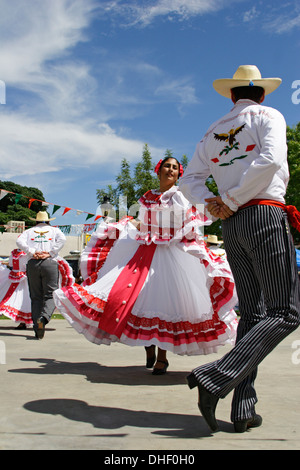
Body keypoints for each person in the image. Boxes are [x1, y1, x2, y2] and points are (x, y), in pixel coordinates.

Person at [179, 65, 300, 432]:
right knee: (286, 311)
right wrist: (230, 198)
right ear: (261, 93)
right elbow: (272, 160)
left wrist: (217, 203)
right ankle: (215, 376)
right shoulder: (269, 114)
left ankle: (243, 408)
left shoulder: (212, 131)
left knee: (253, 314)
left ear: (231, 95)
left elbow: (189, 181)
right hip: (262, 213)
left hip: (233, 225)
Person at [54, 157, 238, 374]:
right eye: (167, 166)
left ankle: (162, 357)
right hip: (144, 251)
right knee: (137, 300)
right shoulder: (148, 197)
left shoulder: (181, 195)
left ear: (179, 174)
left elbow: (189, 219)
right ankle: (149, 348)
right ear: (158, 171)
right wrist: (129, 224)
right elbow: (144, 223)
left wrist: (174, 235)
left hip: (172, 253)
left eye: (175, 168)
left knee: (166, 304)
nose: (170, 170)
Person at [16, 211, 68, 339]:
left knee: (35, 296)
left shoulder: (29, 231)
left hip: (33, 263)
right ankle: (43, 318)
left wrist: (31, 251)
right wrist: (50, 252)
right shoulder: (54, 230)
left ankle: (36, 327)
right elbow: (63, 239)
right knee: (50, 294)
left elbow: (19, 241)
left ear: (36, 220)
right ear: (48, 220)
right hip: (49, 263)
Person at [0, 249, 32, 328]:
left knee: (16, 299)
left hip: (15, 277)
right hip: (23, 278)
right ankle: (23, 322)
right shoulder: (28, 253)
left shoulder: (14, 253)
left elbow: (11, 264)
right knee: (23, 300)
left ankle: (23, 322)